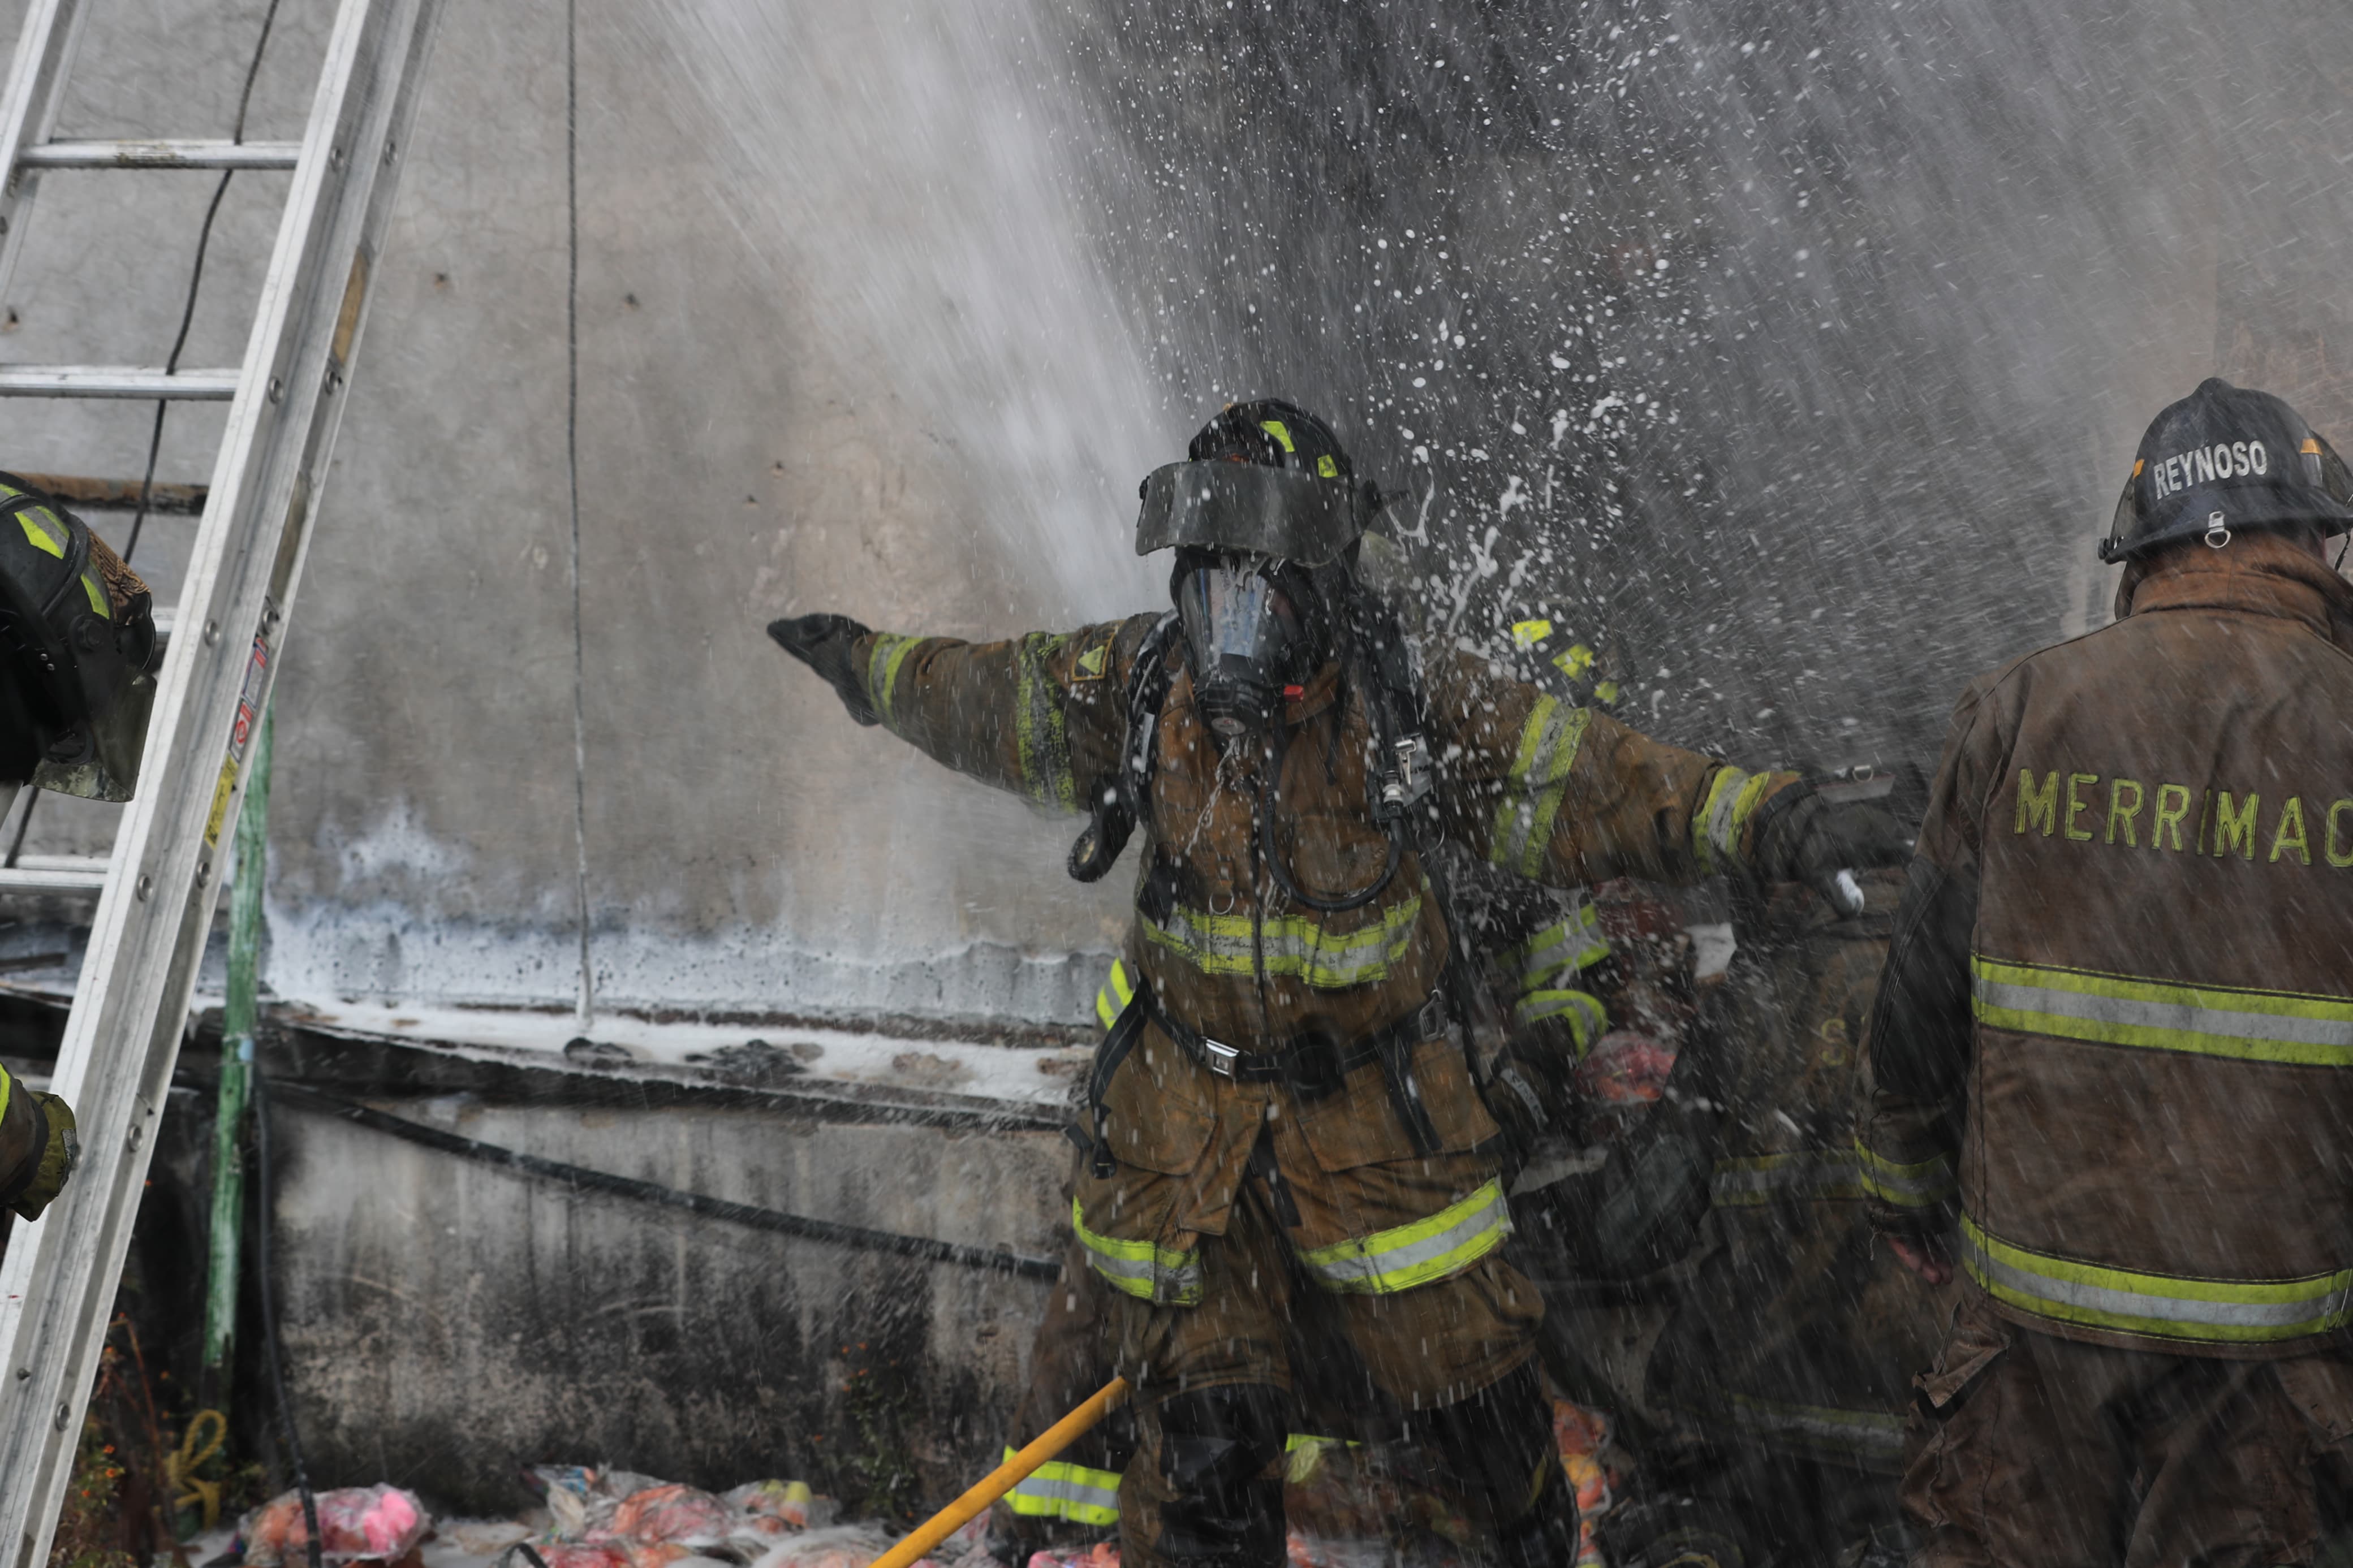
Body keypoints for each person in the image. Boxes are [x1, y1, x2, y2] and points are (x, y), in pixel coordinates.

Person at [772, 399, 1906, 1567]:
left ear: (1325, 588)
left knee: (1489, 1443)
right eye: (1210, 586)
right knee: (1205, 1469)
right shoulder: (1136, 686)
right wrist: (868, 667)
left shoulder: (1413, 707)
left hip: (1382, 1145)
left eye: (1262, 593)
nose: (1233, 627)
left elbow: (1602, 784)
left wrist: (1765, 818)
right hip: (1188, 1157)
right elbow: (983, 697)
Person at [1860, 377, 2353, 1564]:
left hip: (2032, 1343)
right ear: (2313, 542)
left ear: (2141, 554)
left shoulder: (2022, 709)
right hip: (2272, 1360)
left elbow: (1918, 1009)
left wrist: (1905, 1192)